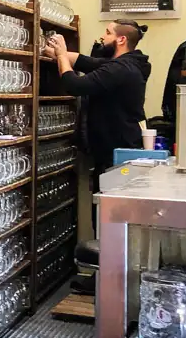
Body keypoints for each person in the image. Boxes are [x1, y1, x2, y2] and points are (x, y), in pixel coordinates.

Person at [44, 20, 151, 212]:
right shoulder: (125, 64)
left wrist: (60, 55)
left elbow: (74, 85)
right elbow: (84, 61)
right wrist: (54, 52)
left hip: (115, 156)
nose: (103, 37)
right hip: (116, 149)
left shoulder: (119, 69)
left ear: (121, 39)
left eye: (108, 33)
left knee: (108, 215)